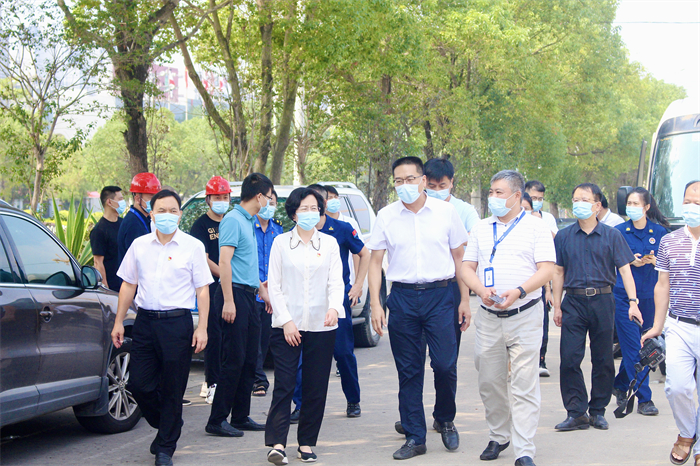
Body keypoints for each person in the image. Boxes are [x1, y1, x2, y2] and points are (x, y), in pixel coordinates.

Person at [368, 156, 470, 460]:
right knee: (409, 370)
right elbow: (375, 262)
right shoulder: (386, 215)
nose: (405, 185)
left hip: (441, 296)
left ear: (423, 180)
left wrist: (464, 299)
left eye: (410, 179)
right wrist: (376, 304)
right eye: (398, 181)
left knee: (445, 364)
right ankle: (415, 436)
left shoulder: (445, 212)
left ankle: (445, 418)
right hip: (402, 298)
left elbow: (460, 258)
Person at [110, 189, 213, 466]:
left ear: (180, 214)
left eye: (173, 211)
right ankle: (170, 423)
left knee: (172, 388)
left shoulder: (192, 246)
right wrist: (119, 321)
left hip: (177, 324)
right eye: (161, 210)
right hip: (145, 322)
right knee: (139, 384)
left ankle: (165, 446)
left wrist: (202, 327)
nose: (167, 215)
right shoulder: (139, 245)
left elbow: (202, 289)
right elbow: (128, 284)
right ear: (151, 214)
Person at [461, 170, 555, 466]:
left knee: (524, 383)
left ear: (516, 196)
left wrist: (519, 291)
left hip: (525, 314)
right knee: (489, 381)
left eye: (499, 192)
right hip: (489, 316)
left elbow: (547, 269)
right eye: (491, 192)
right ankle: (499, 435)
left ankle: (524, 449)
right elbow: (466, 267)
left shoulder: (536, 227)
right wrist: (480, 290)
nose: (493, 198)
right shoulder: (481, 227)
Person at [264, 187, 345, 465]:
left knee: (315, 387)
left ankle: (306, 443)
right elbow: (274, 286)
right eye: (304, 208)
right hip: (287, 327)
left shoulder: (330, 244)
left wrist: (334, 307)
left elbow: (336, 282)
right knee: (285, 384)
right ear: (293, 213)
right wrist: (287, 321)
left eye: (314, 208)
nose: (310, 213)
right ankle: (277, 444)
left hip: (322, 326)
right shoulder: (281, 243)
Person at [552, 182, 641, 432]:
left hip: (603, 300)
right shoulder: (564, 236)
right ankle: (576, 412)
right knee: (569, 358)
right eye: (575, 199)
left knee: (603, 359)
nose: (578, 204)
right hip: (574, 302)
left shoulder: (612, 235)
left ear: (597, 205)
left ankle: (598, 410)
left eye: (585, 200)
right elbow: (558, 272)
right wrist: (557, 306)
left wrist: (633, 302)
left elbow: (625, 270)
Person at [205, 172, 274, 437]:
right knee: (233, 359)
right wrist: (229, 301)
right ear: (259, 196)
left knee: (249, 359)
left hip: (249, 295)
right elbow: (224, 262)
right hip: (233, 294)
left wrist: (262, 292)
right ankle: (217, 419)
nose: (269, 202)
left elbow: (245, 265)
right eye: (269, 197)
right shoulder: (233, 220)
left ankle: (241, 416)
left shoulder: (248, 221)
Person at [641, 180, 700, 466]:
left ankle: (697, 448)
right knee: (677, 387)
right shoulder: (669, 241)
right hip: (679, 326)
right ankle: (687, 432)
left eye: (698, 203)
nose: (692, 207)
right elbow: (662, 285)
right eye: (688, 202)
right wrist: (657, 325)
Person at [301, 183, 370, 418]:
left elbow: (364, 253)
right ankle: (301, 405)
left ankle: (353, 400)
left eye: (314, 205)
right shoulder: (299, 231)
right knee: (305, 356)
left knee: (342, 352)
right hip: (308, 301)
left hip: (336, 300)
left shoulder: (341, 228)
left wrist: (358, 285)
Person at [611, 188, 669, 416]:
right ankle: (645, 399)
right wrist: (628, 262)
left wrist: (655, 261)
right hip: (624, 299)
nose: (632, 207)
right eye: (629, 203)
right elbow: (609, 263)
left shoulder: (660, 232)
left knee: (647, 348)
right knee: (635, 348)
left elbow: (669, 265)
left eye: (636, 204)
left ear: (646, 207)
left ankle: (620, 384)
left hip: (651, 298)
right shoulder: (618, 232)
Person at [190, 176, 231, 404]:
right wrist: (225, 275)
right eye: (217, 197)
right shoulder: (201, 225)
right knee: (214, 337)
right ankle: (211, 382)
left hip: (231, 288)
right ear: (208, 199)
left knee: (229, 338)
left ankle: (225, 382)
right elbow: (204, 259)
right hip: (212, 288)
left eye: (225, 197)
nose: (221, 201)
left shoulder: (231, 222)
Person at [252, 190, 283, 398]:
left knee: (265, 339)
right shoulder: (248, 227)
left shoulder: (278, 230)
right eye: (267, 201)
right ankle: (258, 380)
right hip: (252, 292)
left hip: (272, 294)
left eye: (273, 203)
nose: (269, 206)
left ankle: (257, 375)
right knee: (253, 340)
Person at [524, 180, 556, 378]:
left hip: (541, 280)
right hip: (519, 281)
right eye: (533, 198)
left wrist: (539, 223)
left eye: (540, 199)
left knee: (541, 322)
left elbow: (553, 243)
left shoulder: (547, 218)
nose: (536, 202)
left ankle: (540, 359)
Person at [117, 172, 161, 265]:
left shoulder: (143, 218)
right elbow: (138, 260)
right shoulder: (133, 224)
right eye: (151, 198)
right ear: (137, 199)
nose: (155, 202)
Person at [90, 186, 125, 292]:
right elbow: (98, 262)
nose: (123, 202)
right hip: (113, 287)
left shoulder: (124, 224)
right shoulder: (99, 230)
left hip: (127, 283)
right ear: (110, 202)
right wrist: (106, 289)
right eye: (120, 199)